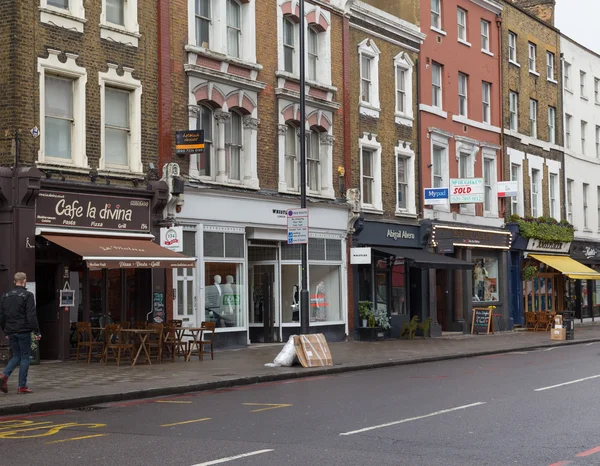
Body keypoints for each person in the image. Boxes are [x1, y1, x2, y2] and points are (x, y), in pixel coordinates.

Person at [0, 272, 40, 394]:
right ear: (24, 281)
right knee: (25, 357)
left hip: (10, 330)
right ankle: (22, 386)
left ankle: (4, 376)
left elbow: (1, 316)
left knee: (16, 356)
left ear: (14, 281)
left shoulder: (5, 295)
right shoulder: (27, 295)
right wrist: (36, 331)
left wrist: (5, 330)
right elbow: (31, 315)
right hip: (23, 330)